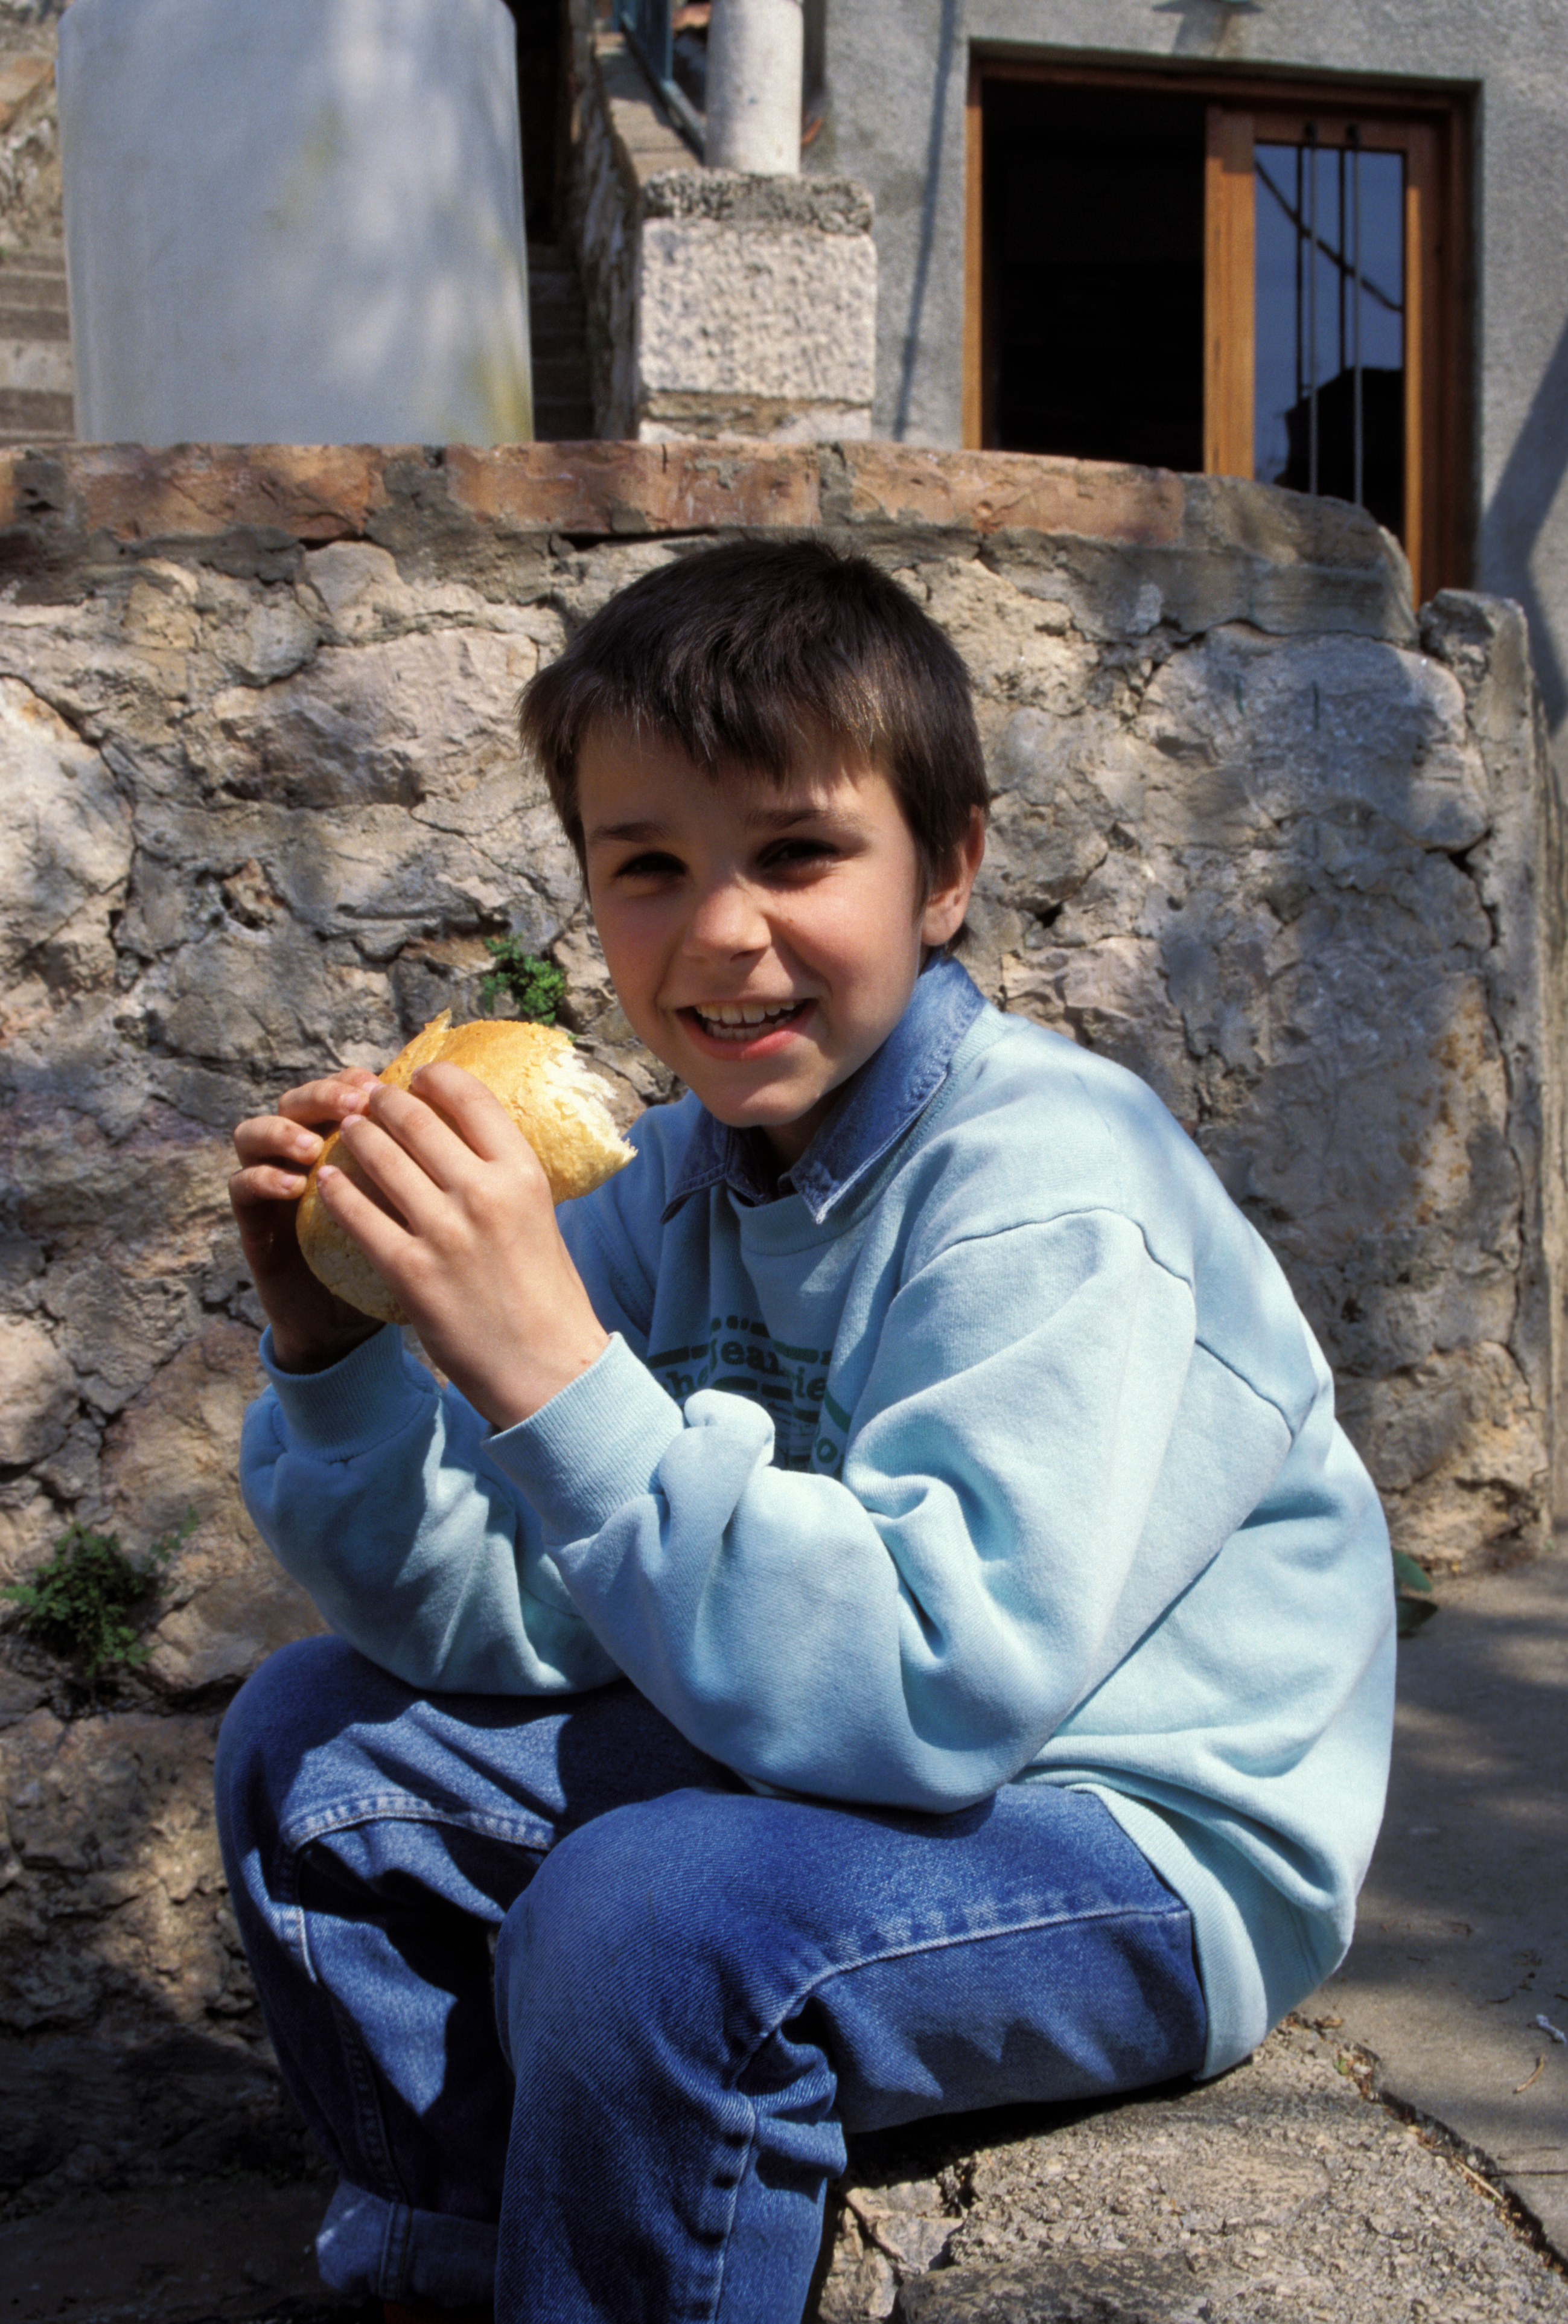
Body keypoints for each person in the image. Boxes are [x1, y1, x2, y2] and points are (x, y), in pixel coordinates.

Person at [217, 540, 1395, 2324]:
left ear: (949, 869)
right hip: (827, 1763)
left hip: (1131, 1829)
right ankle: (454, 2261)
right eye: (648, 867)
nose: (719, 931)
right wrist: (335, 1348)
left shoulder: (1060, 1184)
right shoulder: (662, 1184)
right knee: (312, 1747)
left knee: (651, 1917)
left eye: (796, 852)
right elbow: (510, 1617)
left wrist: (554, 1373)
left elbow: (939, 1683)